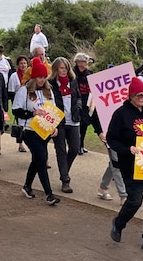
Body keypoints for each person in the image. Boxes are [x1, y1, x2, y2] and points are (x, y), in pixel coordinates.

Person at [107, 77, 143, 252]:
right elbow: (112, 139)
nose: (142, 98)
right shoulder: (121, 114)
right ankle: (119, 223)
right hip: (131, 165)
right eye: (139, 95)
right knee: (135, 200)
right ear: (131, 96)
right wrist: (127, 149)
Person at [12, 57, 61, 206]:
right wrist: (31, 114)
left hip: (44, 130)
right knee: (41, 157)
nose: (41, 79)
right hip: (29, 130)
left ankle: (27, 186)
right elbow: (15, 110)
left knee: (38, 158)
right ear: (34, 76)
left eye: (44, 77)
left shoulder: (49, 91)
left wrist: (54, 127)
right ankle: (49, 194)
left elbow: (52, 111)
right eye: (39, 76)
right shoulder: (24, 90)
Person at [48, 57, 80, 193]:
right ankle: (65, 179)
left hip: (73, 119)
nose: (63, 70)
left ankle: (64, 170)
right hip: (58, 121)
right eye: (61, 68)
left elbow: (78, 97)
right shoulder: (50, 84)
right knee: (60, 150)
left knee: (74, 148)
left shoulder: (73, 82)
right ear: (55, 69)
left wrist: (79, 107)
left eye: (65, 68)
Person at [72, 53, 93, 154]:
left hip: (87, 102)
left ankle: (81, 145)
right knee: (77, 125)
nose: (86, 63)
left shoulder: (89, 73)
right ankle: (76, 145)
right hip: (75, 102)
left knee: (84, 124)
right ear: (78, 62)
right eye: (84, 61)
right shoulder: (72, 73)